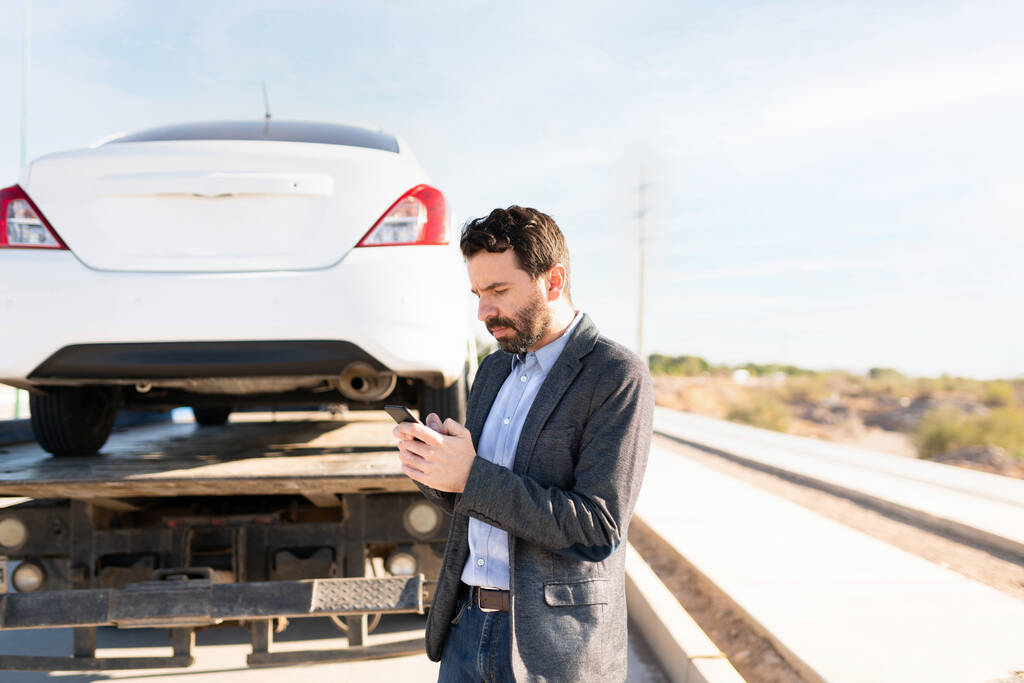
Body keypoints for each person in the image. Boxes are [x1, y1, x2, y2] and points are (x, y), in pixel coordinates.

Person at [393, 205, 653, 682]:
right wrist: (435, 469)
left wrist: (471, 475)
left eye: (498, 291)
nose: (483, 312)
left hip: (551, 651)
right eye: (478, 294)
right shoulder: (492, 370)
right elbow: (476, 500)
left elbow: (598, 529)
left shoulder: (615, 375)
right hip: (465, 630)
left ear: (553, 281)